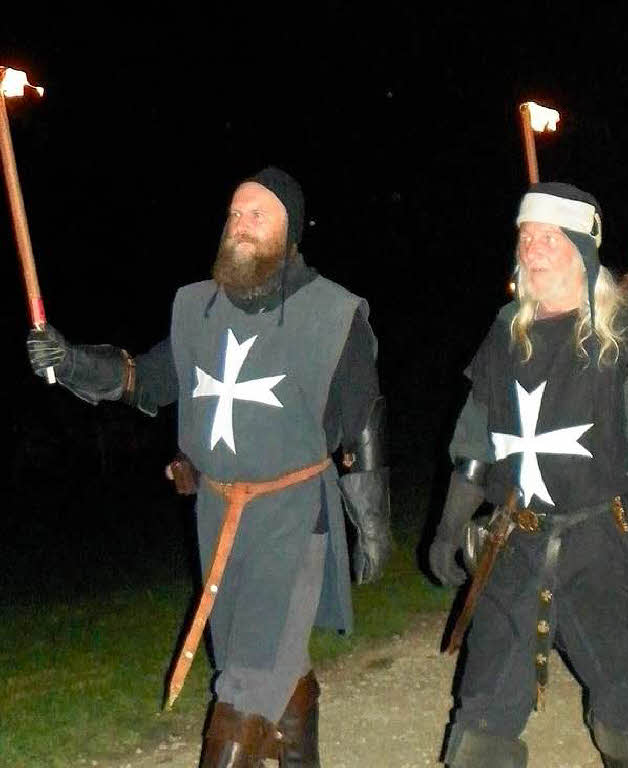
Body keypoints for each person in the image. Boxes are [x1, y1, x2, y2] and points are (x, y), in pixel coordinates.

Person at [26, 167, 391, 766]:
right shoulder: (197, 307)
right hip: (218, 515)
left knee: (243, 688)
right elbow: (145, 380)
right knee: (268, 661)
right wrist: (68, 361)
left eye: (258, 214)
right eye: (234, 213)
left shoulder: (330, 311)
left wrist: (371, 521)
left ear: (290, 232)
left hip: (293, 519)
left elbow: (363, 416)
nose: (241, 224)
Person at [428, 184, 628, 768]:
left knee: (620, 705)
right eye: (526, 236)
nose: (533, 247)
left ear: (581, 251)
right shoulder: (504, 332)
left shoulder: (627, 336)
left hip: (597, 543)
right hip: (511, 541)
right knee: (483, 710)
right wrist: (449, 527)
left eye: (549, 237)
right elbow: (475, 441)